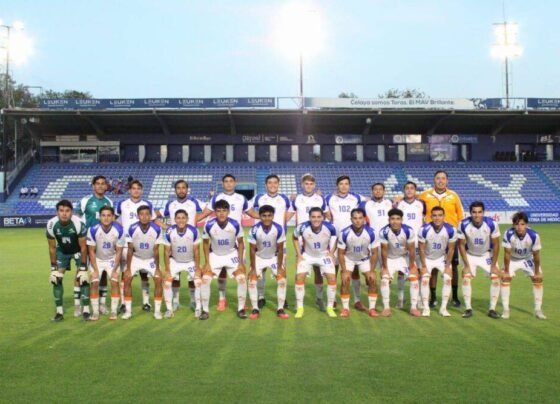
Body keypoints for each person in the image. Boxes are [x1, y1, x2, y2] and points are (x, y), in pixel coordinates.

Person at [198, 174, 250, 311]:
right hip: (217, 242)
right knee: (221, 272)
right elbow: (204, 214)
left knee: (241, 271)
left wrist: (266, 219)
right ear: (222, 183)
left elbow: (252, 213)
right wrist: (188, 222)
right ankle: (222, 298)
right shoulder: (216, 198)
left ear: (235, 183)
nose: (228, 183)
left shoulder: (241, 198)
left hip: (236, 240)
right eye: (226, 181)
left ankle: (242, 301)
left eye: (231, 181)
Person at [157, 179, 206, 312]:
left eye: (183, 187)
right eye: (178, 188)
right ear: (175, 190)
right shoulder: (171, 204)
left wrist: (196, 219)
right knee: (175, 276)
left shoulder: (194, 202)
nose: (181, 190)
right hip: (175, 242)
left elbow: (209, 209)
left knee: (192, 278)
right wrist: (165, 226)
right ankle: (175, 301)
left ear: (187, 189)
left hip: (190, 240)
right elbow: (155, 215)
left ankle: (193, 301)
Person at [418, 170, 464, 308]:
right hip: (432, 236)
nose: (440, 181)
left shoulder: (453, 195)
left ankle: (454, 296)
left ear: (447, 181)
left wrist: (459, 234)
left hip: (450, 236)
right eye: (438, 178)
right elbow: (413, 202)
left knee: (453, 266)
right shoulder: (425, 195)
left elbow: (460, 216)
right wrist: (399, 197)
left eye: (443, 178)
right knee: (433, 267)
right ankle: (433, 298)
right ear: (434, 180)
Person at [247, 174, 293, 309]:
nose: (272, 185)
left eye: (275, 182)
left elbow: (290, 212)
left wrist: (283, 221)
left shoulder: (284, 199)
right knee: (261, 269)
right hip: (261, 238)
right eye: (270, 183)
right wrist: (260, 217)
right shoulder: (259, 197)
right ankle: (261, 296)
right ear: (266, 184)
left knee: (282, 268)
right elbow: (248, 209)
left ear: (278, 184)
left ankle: (282, 298)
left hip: (279, 238)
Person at [115, 180, 157, 313]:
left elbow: (154, 221)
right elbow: (115, 220)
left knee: (145, 274)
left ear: (142, 190)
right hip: (126, 244)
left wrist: (166, 227)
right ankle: (123, 303)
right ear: (129, 190)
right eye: (133, 188)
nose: (136, 190)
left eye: (138, 188)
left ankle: (146, 302)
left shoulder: (148, 204)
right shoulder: (122, 204)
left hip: (144, 244)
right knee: (126, 274)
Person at [325, 175, 366, 311]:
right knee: (333, 269)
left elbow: (370, 200)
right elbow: (323, 211)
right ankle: (332, 299)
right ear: (337, 185)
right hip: (334, 238)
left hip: (353, 238)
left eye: (346, 184)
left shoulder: (356, 197)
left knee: (354, 270)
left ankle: (357, 300)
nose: (344, 186)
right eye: (341, 184)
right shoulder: (329, 198)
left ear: (349, 185)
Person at [46, 199, 90, 321]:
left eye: (67, 211)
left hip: (78, 250)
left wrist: (83, 267)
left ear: (72, 212)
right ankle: (59, 312)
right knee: (56, 279)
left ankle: (86, 310)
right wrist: (53, 268)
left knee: (83, 278)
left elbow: (83, 247)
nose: (64, 213)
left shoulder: (79, 224)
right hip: (62, 251)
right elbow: (52, 247)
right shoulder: (51, 224)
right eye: (61, 211)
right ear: (57, 212)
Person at [76, 175, 114, 314]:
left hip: (102, 243)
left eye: (103, 183)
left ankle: (102, 304)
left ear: (106, 186)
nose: (100, 186)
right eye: (97, 183)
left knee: (102, 273)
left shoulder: (109, 202)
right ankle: (78, 304)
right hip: (86, 242)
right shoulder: (85, 201)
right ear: (93, 186)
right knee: (81, 271)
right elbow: (76, 219)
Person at [457, 201, 501, 319]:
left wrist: (493, 265)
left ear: (483, 212)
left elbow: (496, 245)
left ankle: (492, 309)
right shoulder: (463, 224)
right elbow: (461, 245)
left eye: (479, 212)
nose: (477, 215)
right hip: (470, 255)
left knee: (495, 277)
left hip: (486, 254)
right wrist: (466, 265)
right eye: (474, 212)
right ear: (470, 213)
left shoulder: (492, 224)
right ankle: (468, 309)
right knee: (466, 277)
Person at [291, 173, 328, 311]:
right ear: (302, 185)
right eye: (306, 183)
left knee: (318, 270)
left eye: (311, 184)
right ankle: (298, 301)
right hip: (301, 240)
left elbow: (328, 216)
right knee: (300, 271)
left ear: (314, 185)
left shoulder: (320, 199)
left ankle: (319, 298)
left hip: (318, 239)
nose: (309, 186)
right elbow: (287, 215)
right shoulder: (296, 199)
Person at [293, 207, 338, 318]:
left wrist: (332, 252)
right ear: (309, 217)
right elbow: (294, 238)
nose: (316, 219)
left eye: (318, 217)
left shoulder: (330, 227)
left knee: (332, 278)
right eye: (313, 217)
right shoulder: (302, 227)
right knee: (299, 277)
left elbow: (338, 238)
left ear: (323, 217)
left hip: (324, 256)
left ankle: (329, 307)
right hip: (307, 256)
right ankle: (300, 308)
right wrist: (298, 255)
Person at [501, 212, 546, 320]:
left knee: (538, 279)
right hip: (513, 259)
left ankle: (538, 310)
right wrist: (506, 271)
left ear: (526, 224)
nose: (519, 227)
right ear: (513, 225)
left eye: (522, 224)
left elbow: (536, 255)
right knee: (505, 278)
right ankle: (506, 309)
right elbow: (507, 254)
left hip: (527, 258)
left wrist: (537, 272)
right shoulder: (508, 234)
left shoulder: (534, 235)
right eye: (517, 224)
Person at [122, 205, 163, 320]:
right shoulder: (131, 228)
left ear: (150, 216)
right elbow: (130, 249)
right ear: (138, 216)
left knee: (158, 280)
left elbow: (156, 250)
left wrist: (157, 269)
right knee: (127, 279)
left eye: (147, 214)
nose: (144, 217)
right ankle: (128, 311)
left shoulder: (157, 229)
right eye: (141, 214)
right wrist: (128, 269)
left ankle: (157, 311)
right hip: (136, 258)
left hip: (150, 259)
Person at [247, 205, 288, 319]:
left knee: (282, 279)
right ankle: (255, 308)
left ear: (273, 216)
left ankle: (280, 308)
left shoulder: (279, 228)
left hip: (273, 257)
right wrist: (253, 268)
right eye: (264, 216)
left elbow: (280, 249)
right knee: (252, 279)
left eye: (269, 215)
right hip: (259, 257)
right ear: (260, 216)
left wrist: (279, 268)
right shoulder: (254, 229)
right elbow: (252, 250)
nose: (267, 218)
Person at [338, 208, 379, 317]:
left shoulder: (371, 232)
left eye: (360, 218)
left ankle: (372, 309)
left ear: (364, 219)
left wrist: (372, 270)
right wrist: (344, 270)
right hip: (349, 259)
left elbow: (375, 253)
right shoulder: (344, 233)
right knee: (345, 279)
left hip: (364, 259)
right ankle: (345, 309)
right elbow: (340, 253)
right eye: (355, 218)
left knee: (372, 279)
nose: (357, 221)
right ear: (351, 219)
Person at [86, 206, 125, 320]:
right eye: (103, 215)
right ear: (99, 217)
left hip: (112, 259)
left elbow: (119, 252)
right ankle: (95, 312)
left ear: (113, 217)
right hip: (97, 259)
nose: (106, 218)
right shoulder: (92, 230)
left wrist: (115, 270)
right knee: (94, 282)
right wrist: (95, 270)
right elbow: (91, 251)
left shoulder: (120, 230)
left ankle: (113, 311)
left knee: (114, 281)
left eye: (109, 215)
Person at [417, 207, 458, 317]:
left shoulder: (451, 230)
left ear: (444, 217)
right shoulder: (424, 229)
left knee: (448, 278)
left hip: (441, 258)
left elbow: (451, 249)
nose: (437, 218)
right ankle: (426, 308)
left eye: (440, 215)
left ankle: (443, 308)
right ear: (431, 217)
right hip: (427, 258)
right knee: (425, 279)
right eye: (434, 215)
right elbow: (421, 249)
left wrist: (448, 266)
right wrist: (424, 266)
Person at [379, 209, 419, 317]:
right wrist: (385, 267)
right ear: (389, 220)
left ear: (402, 220)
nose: (395, 221)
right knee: (384, 280)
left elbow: (411, 249)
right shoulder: (384, 232)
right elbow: (384, 250)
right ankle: (386, 308)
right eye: (392, 219)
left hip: (403, 257)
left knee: (414, 278)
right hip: (390, 258)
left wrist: (412, 266)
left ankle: (413, 307)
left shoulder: (408, 231)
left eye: (398, 219)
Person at [162, 209, 201, 319]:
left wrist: (197, 268)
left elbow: (196, 251)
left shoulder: (194, 231)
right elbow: (166, 251)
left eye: (183, 218)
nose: (181, 220)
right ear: (174, 220)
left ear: (187, 219)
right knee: (167, 282)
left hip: (190, 261)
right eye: (178, 218)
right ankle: (169, 309)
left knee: (198, 282)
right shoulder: (169, 231)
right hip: (175, 261)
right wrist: (167, 269)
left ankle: (197, 307)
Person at [396, 181, 426, 306]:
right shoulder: (399, 205)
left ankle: (418, 298)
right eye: (407, 188)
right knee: (401, 270)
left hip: (418, 243)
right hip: (403, 243)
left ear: (415, 190)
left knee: (418, 270)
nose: (409, 190)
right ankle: (400, 299)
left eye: (412, 188)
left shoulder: (421, 204)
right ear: (404, 190)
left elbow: (424, 220)